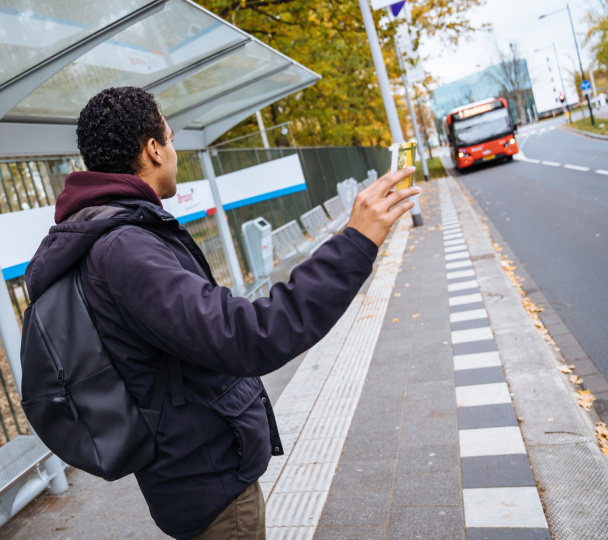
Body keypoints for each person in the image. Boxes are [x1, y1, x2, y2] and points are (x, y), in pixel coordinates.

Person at [25, 86, 419, 539]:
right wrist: (355, 241)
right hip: (209, 489)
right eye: (170, 139)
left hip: (191, 474)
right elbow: (248, 336)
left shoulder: (111, 231)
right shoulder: (124, 248)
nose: (173, 151)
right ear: (153, 149)